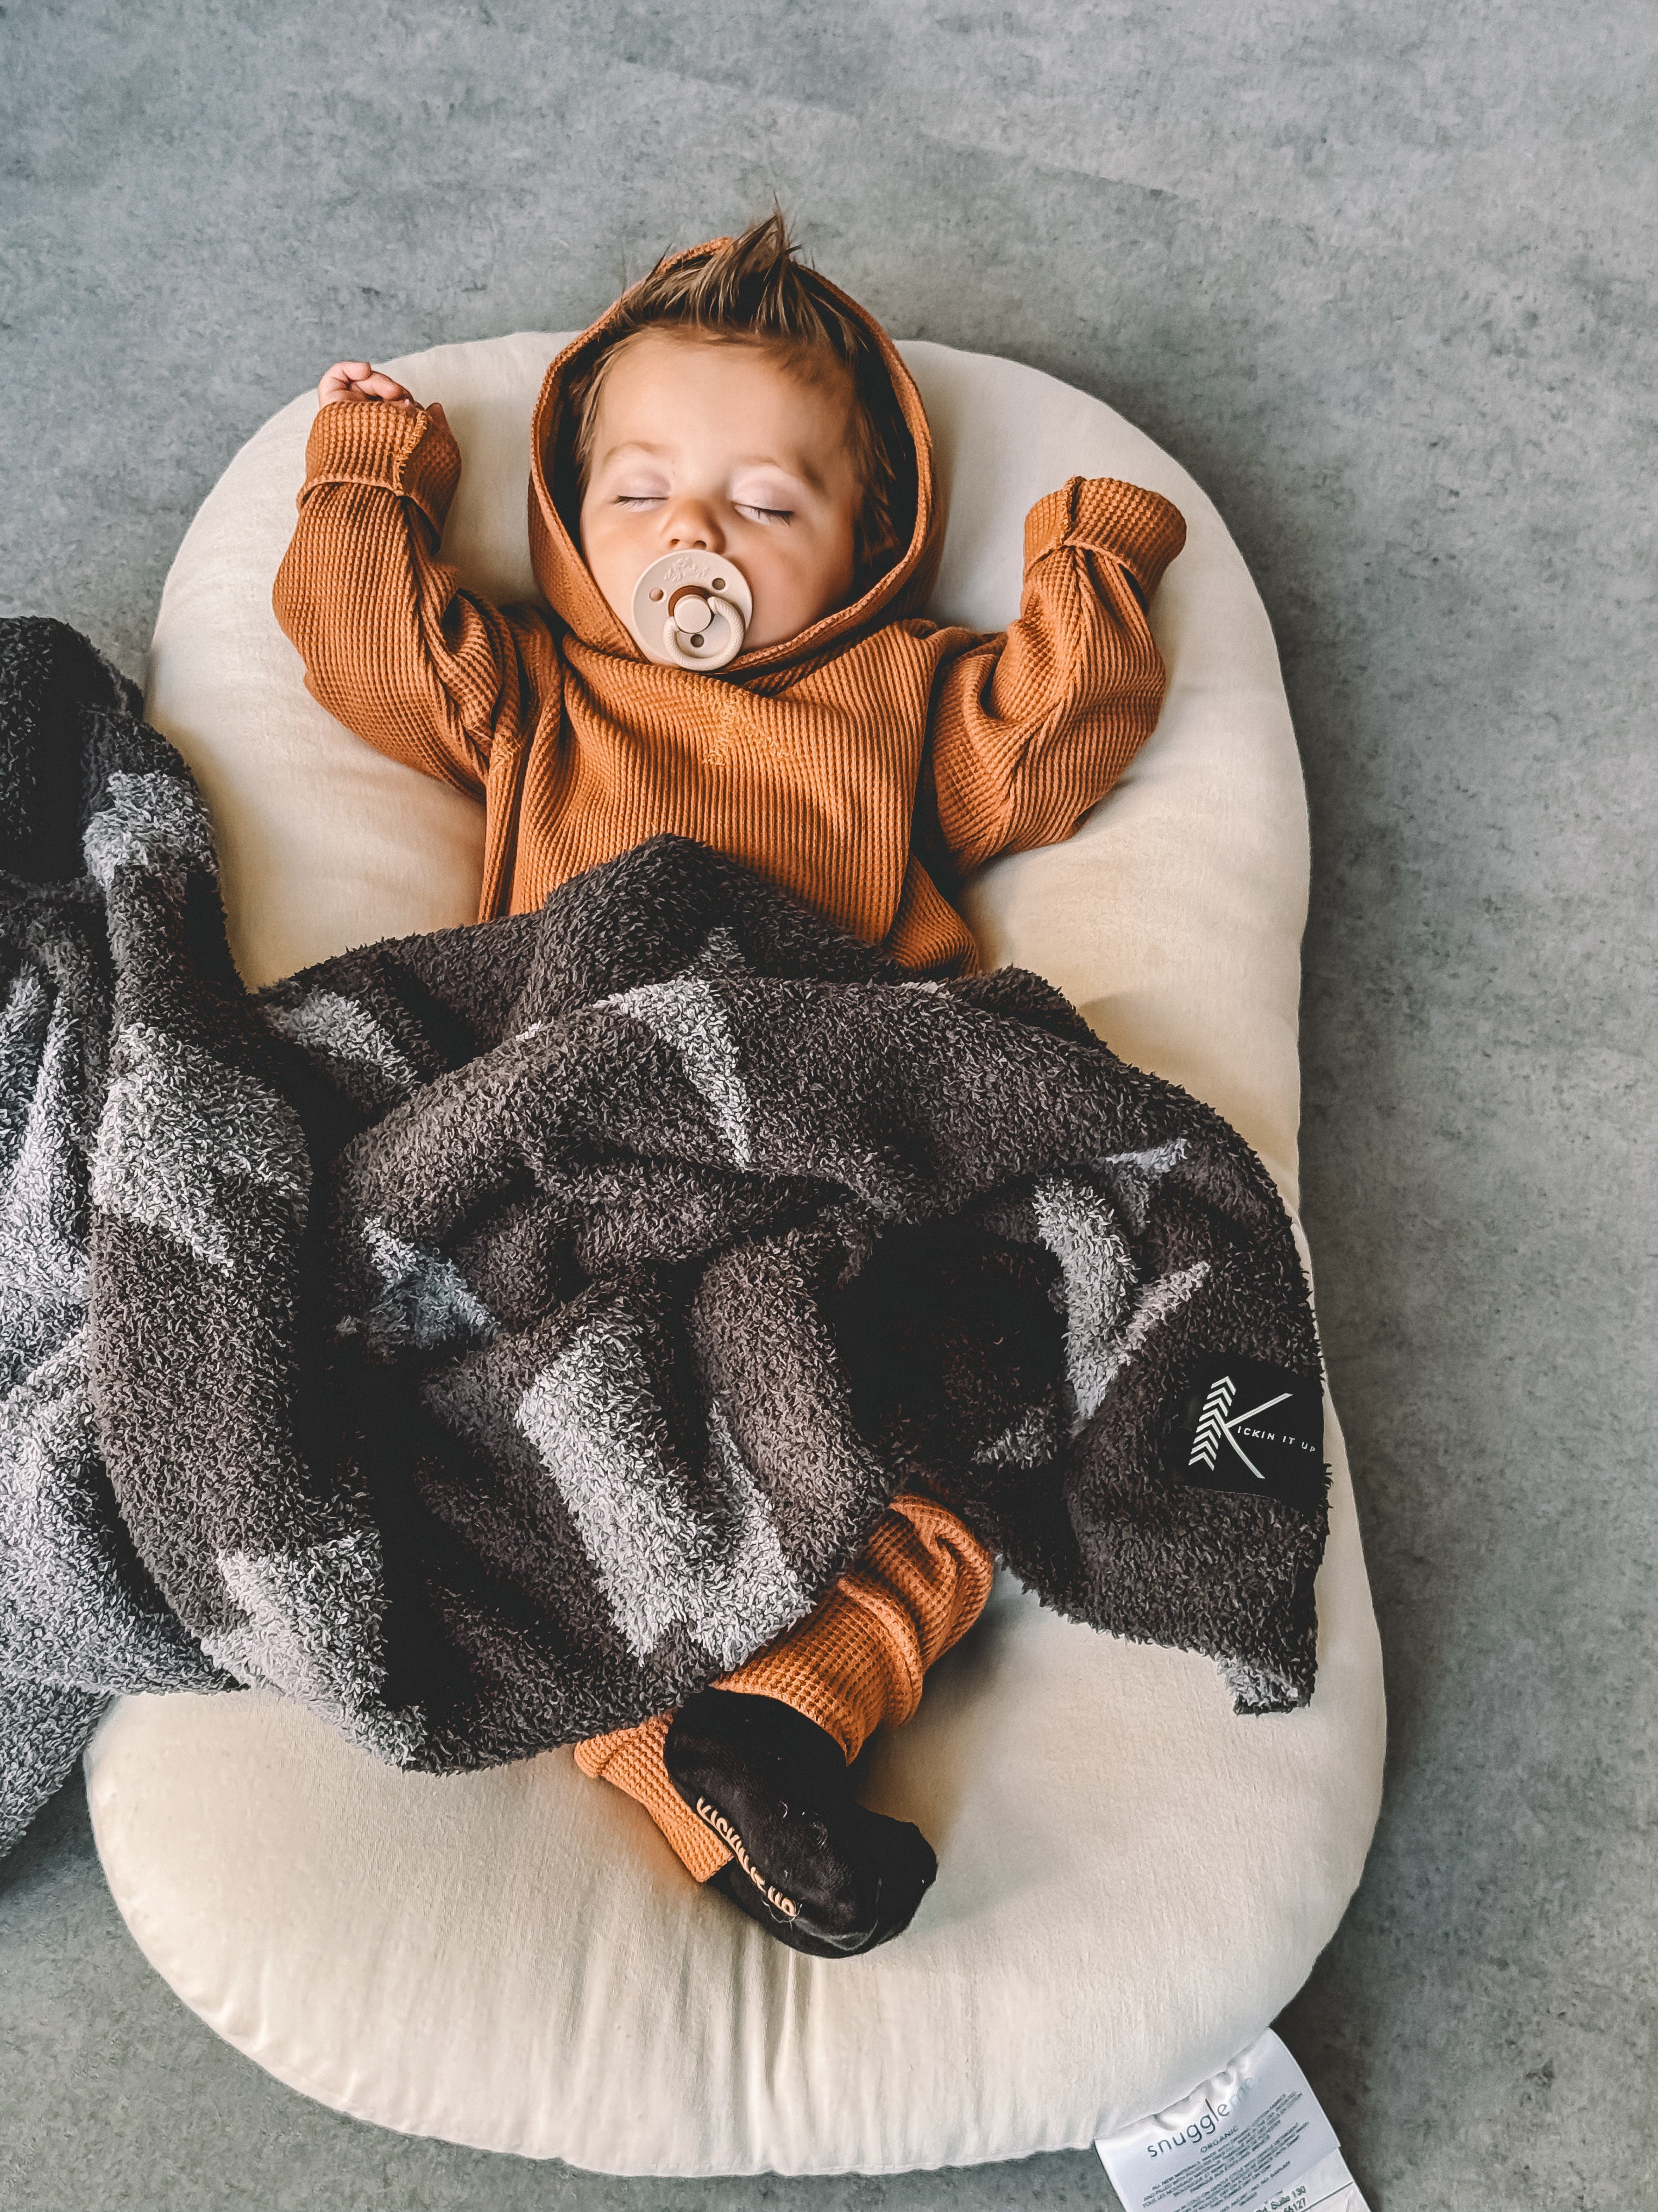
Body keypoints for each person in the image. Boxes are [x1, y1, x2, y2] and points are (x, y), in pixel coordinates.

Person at [274, 210, 1186, 1957]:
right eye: (638, 495)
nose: (692, 535)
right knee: (536, 1435)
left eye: (765, 506)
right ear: (566, 527)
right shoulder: (542, 692)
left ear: (866, 548)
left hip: (829, 1136)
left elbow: (1052, 756)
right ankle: (694, 1743)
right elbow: (365, 650)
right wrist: (368, 471)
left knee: (965, 1411)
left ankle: (787, 1717)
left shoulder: (896, 692)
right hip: (589, 1128)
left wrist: (1092, 553)